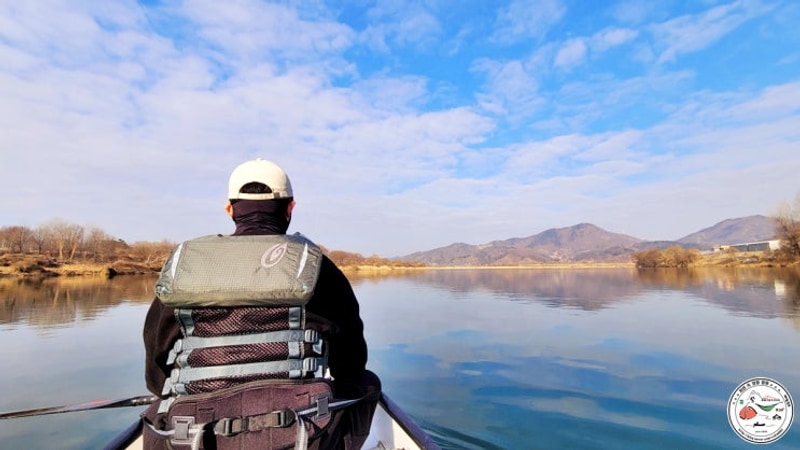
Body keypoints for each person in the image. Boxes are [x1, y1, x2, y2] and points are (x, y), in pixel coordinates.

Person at [141, 158, 380, 449]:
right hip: (301, 433)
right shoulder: (318, 268)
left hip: (192, 433)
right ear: (290, 208)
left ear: (230, 210)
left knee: (159, 405)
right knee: (366, 382)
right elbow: (352, 362)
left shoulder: (186, 270)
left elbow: (155, 371)